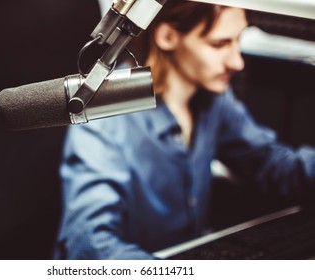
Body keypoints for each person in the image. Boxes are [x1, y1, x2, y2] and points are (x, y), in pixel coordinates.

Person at [55, 0, 315, 259]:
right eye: (219, 44)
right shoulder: (105, 118)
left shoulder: (214, 100)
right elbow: (89, 244)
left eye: (237, 41)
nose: (237, 63)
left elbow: (274, 165)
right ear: (168, 37)